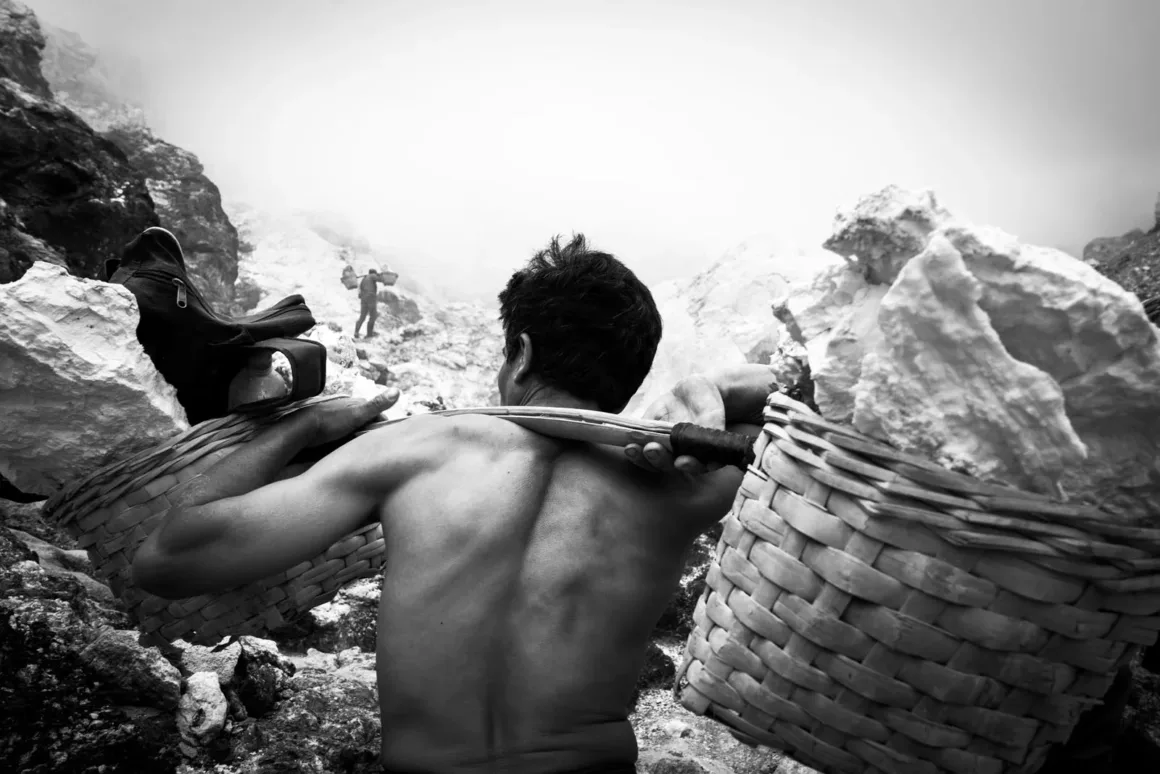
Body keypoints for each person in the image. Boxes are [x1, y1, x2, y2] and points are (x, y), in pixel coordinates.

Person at [132, 233, 779, 774]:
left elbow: (166, 559)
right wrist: (711, 390)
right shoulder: (681, 481)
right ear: (632, 379)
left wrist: (302, 426)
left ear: (520, 354)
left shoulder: (413, 448)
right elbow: (826, 417)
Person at [355, 268, 388, 339]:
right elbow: (381, 279)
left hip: (364, 299)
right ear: (374, 273)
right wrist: (381, 275)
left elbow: (360, 293)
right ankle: (369, 334)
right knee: (373, 316)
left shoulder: (364, 280)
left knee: (362, 317)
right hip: (370, 297)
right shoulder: (372, 276)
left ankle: (356, 332)